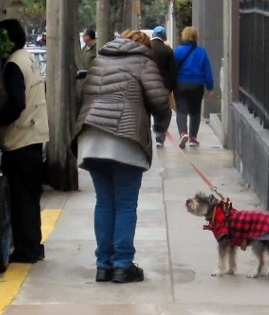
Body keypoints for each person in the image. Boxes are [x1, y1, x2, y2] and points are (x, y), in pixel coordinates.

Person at [74, 29, 169, 284]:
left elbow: (83, 96)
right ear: (144, 46)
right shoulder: (144, 62)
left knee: (104, 203)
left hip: (91, 137)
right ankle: (122, 265)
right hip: (124, 137)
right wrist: (161, 129)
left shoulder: (99, 60)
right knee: (126, 204)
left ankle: (103, 265)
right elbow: (160, 101)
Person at [0, 18, 50, 264]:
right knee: (29, 194)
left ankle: (27, 249)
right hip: (34, 135)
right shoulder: (26, 58)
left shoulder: (13, 65)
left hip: (22, 137)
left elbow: (17, 104)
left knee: (21, 196)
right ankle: (33, 245)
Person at [172, 25, 215, 150]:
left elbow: (172, 70)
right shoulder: (201, 52)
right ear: (196, 37)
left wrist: (169, 86)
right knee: (195, 111)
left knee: (181, 110)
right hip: (197, 85)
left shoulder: (178, 51)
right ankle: (193, 138)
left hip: (181, 84)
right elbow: (207, 71)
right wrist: (210, 87)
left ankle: (183, 133)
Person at [149, 26, 177, 147]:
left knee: (147, 110)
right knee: (163, 112)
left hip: (147, 84)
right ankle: (159, 136)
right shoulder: (168, 51)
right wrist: (170, 89)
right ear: (164, 36)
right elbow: (173, 72)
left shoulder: (145, 48)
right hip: (163, 86)